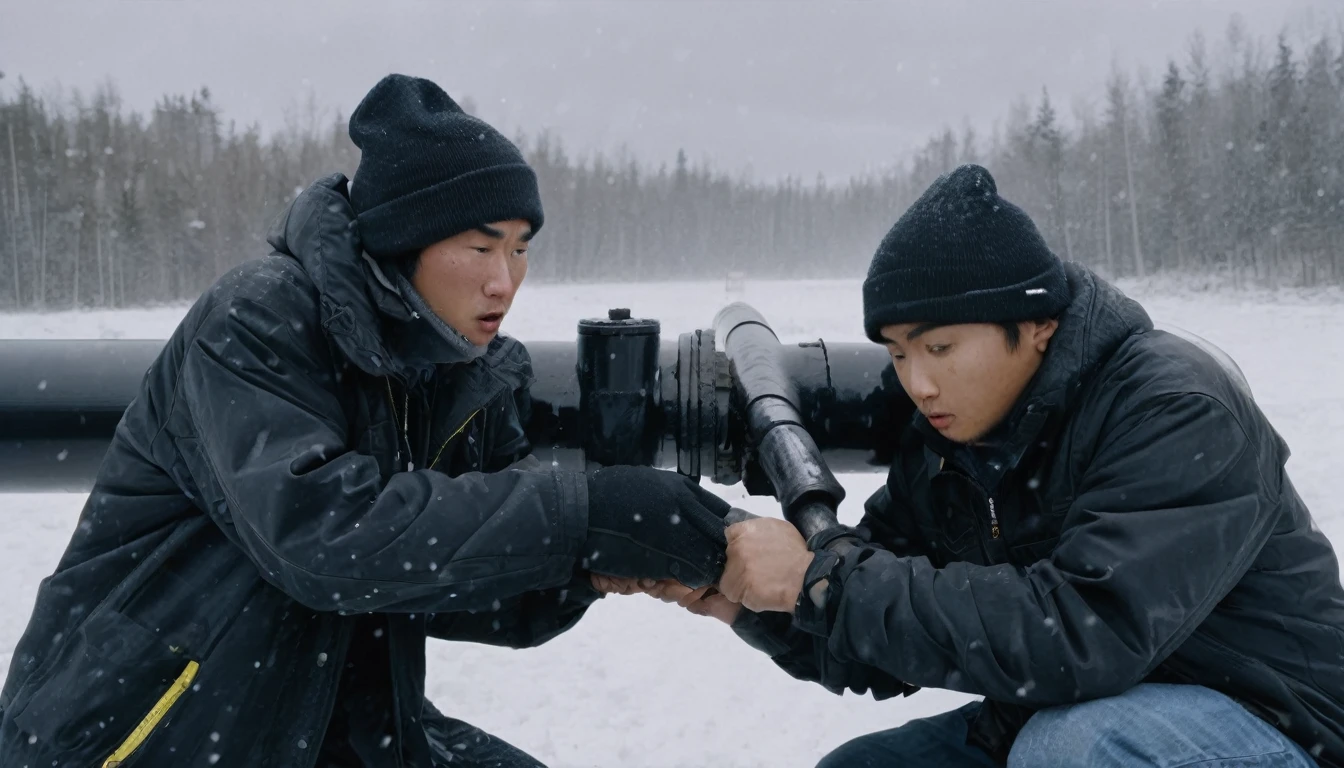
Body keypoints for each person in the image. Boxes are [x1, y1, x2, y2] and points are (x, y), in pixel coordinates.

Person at [0, 74, 731, 768]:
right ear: (401, 242)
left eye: (520, 249)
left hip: (339, 725)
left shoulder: (459, 375)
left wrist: (593, 566)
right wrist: (590, 512)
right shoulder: (257, 318)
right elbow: (324, 540)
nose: (504, 280)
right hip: (151, 733)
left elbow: (467, 583)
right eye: (480, 247)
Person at [613, 165, 1344, 767]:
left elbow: (1084, 631)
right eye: (898, 353)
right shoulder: (951, 439)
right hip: (1070, 710)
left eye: (939, 349)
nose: (918, 382)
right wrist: (750, 594)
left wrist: (820, 578)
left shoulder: (1175, 408)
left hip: (1278, 725)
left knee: (1078, 752)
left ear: (1037, 327)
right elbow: (881, 630)